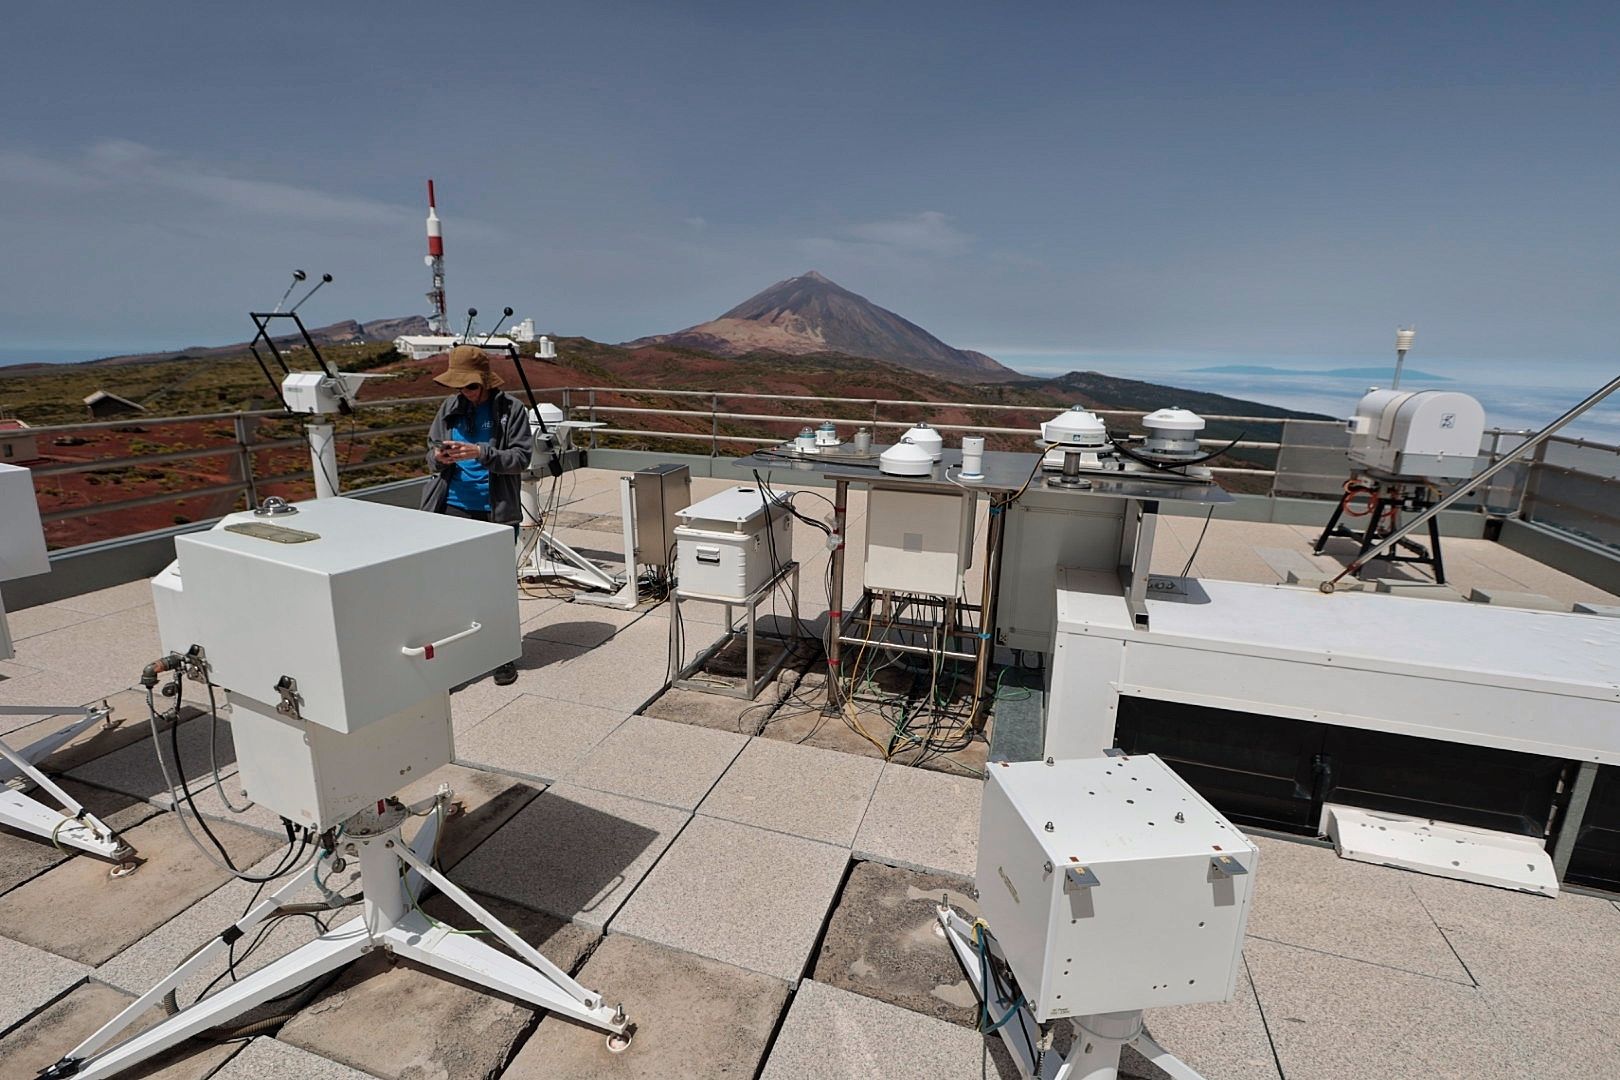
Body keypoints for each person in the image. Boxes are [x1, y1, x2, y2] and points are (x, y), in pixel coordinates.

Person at [420, 344, 534, 686]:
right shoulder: (449, 408)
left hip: (495, 511)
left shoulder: (511, 410)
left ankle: (501, 654)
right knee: (453, 585)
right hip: (451, 505)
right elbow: (429, 452)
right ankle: (460, 655)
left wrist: (481, 452)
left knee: (495, 586)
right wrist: (438, 457)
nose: (464, 392)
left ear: (486, 382)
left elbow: (521, 458)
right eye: (459, 386)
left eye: (469, 386)